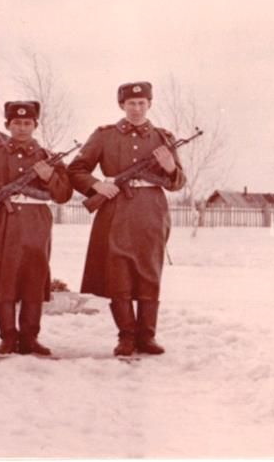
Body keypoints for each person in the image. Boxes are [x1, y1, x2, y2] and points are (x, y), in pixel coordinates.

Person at [67, 82, 186, 356]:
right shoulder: (104, 135)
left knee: (149, 273)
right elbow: (77, 169)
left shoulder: (163, 138)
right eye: (131, 103)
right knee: (118, 274)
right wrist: (97, 186)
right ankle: (126, 337)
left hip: (151, 213)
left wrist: (170, 167)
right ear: (121, 105)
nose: (137, 108)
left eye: (142, 103)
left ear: (150, 104)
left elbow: (178, 183)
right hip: (115, 211)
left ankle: (147, 337)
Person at [0, 101, 73, 355]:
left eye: (27, 123)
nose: (22, 128)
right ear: (7, 125)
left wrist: (48, 177)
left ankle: (30, 337)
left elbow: (64, 193)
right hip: (2, 222)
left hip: (36, 223)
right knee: (4, 279)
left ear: (35, 125)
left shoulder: (47, 158)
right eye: (16, 123)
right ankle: (8, 337)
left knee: (34, 279)